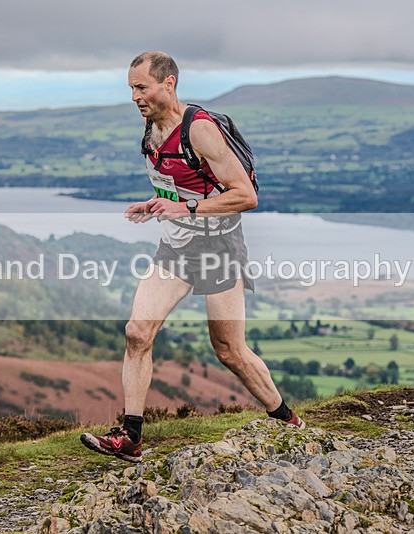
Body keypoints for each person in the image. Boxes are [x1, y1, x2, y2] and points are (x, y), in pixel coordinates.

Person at [80, 51, 305, 463]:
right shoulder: (151, 126)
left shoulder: (199, 130)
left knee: (229, 350)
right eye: (131, 88)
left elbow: (245, 196)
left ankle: (287, 420)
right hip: (176, 248)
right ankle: (130, 438)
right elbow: (179, 185)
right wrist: (157, 203)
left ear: (169, 84)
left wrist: (184, 208)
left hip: (219, 249)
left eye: (141, 87)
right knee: (137, 332)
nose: (134, 97)